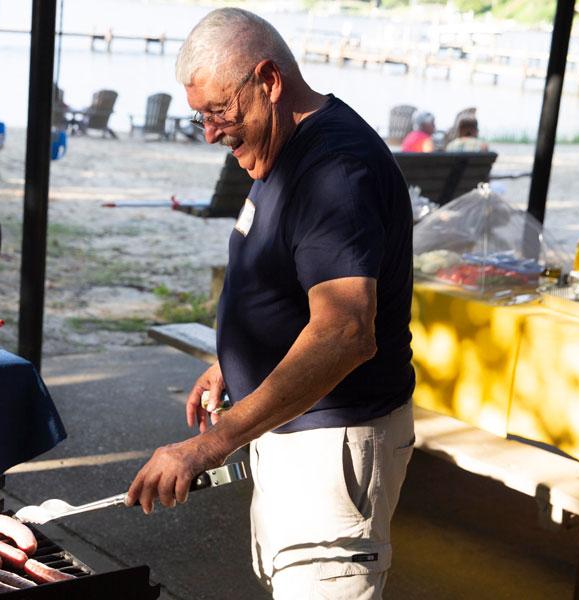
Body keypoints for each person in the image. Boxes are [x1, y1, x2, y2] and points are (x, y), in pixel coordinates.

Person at [125, 8, 415, 598]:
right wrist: (233, 364)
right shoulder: (278, 146)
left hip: (335, 446)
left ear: (270, 81)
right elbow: (292, 281)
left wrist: (209, 445)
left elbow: (344, 333)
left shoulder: (336, 169)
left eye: (218, 111)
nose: (209, 132)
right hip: (295, 436)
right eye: (199, 116)